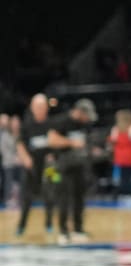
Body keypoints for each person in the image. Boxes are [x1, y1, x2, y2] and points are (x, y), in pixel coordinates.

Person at [48, 98, 98, 241]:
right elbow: (52, 140)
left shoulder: (85, 125)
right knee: (64, 199)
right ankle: (63, 232)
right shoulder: (62, 121)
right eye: (86, 115)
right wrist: (71, 142)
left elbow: (86, 143)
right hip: (63, 168)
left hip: (80, 166)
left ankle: (78, 229)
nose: (88, 119)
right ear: (79, 112)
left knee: (79, 198)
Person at [15, 93, 55, 238]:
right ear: (32, 107)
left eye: (42, 106)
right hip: (30, 167)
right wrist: (25, 157)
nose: (39, 109)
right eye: (36, 106)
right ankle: (21, 226)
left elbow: (56, 143)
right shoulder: (27, 124)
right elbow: (19, 142)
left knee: (50, 193)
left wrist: (52, 155)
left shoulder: (52, 124)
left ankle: (49, 224)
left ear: (46, 108)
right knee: (26, 198)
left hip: (49, 168)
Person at [108, 108, 131, 200]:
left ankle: (124, 194)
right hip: (129, 157)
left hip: (122, 158)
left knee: (124, 177)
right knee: (128, 177)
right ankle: (126, 194)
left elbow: (111, 141)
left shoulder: (116, 130)